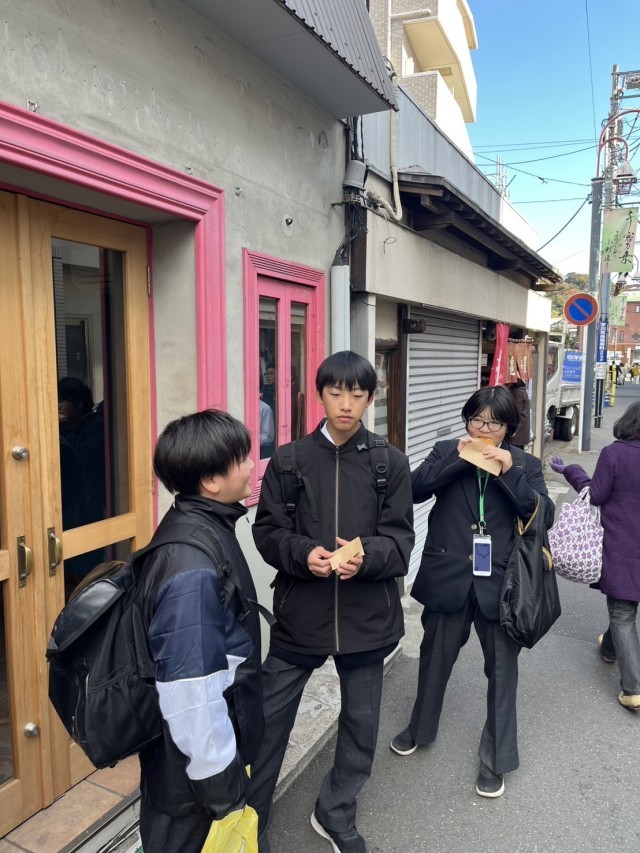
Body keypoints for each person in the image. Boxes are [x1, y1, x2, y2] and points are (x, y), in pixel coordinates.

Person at [247, 350, 414, 853]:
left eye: (356, 394)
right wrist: (303, 554)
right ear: (318, 395)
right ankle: (250, 822)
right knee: (267, 723)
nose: (345, 404)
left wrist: (367, 559)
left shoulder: (389, 463)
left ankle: (335, 810)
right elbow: (268, 532)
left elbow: (400, 543)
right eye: (336, 392)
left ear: (370, 398)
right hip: (301, 613)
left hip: (367, 617)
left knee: (361, 725)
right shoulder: (289, 460)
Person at [390, 385, 554, 798]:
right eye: (476, 419)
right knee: (434, 659)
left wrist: (508, 472)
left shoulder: (525, 464)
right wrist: (458, 461)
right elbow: (413, 490)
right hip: (449, 575)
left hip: (502, 585)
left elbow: (543, 516)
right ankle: (420, 729)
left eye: (494, 423)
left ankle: (497, 758)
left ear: (508, 428)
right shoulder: (446, 450)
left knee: (502, 672)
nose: (483, 429)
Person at [137, 409, 264, 853]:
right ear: (211, 480)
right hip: (192, 787)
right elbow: (190, 691)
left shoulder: (204, 523)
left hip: (199, 767)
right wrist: (223, 790)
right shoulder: (190, 567)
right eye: (242, 459)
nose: (251, 465)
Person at [550, 401, 640, 710]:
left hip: (623, 544)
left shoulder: (615, 453)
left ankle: (633, 689)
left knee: (622, 612)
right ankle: (611, 649)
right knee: (626, 606)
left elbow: (597, 495)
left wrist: (571, 471)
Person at [506, 379, 531, 449]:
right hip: (520, 433)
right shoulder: (521, 391)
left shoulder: (518, 393)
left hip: (517, 434)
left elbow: (515, 413)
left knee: (515, 453)